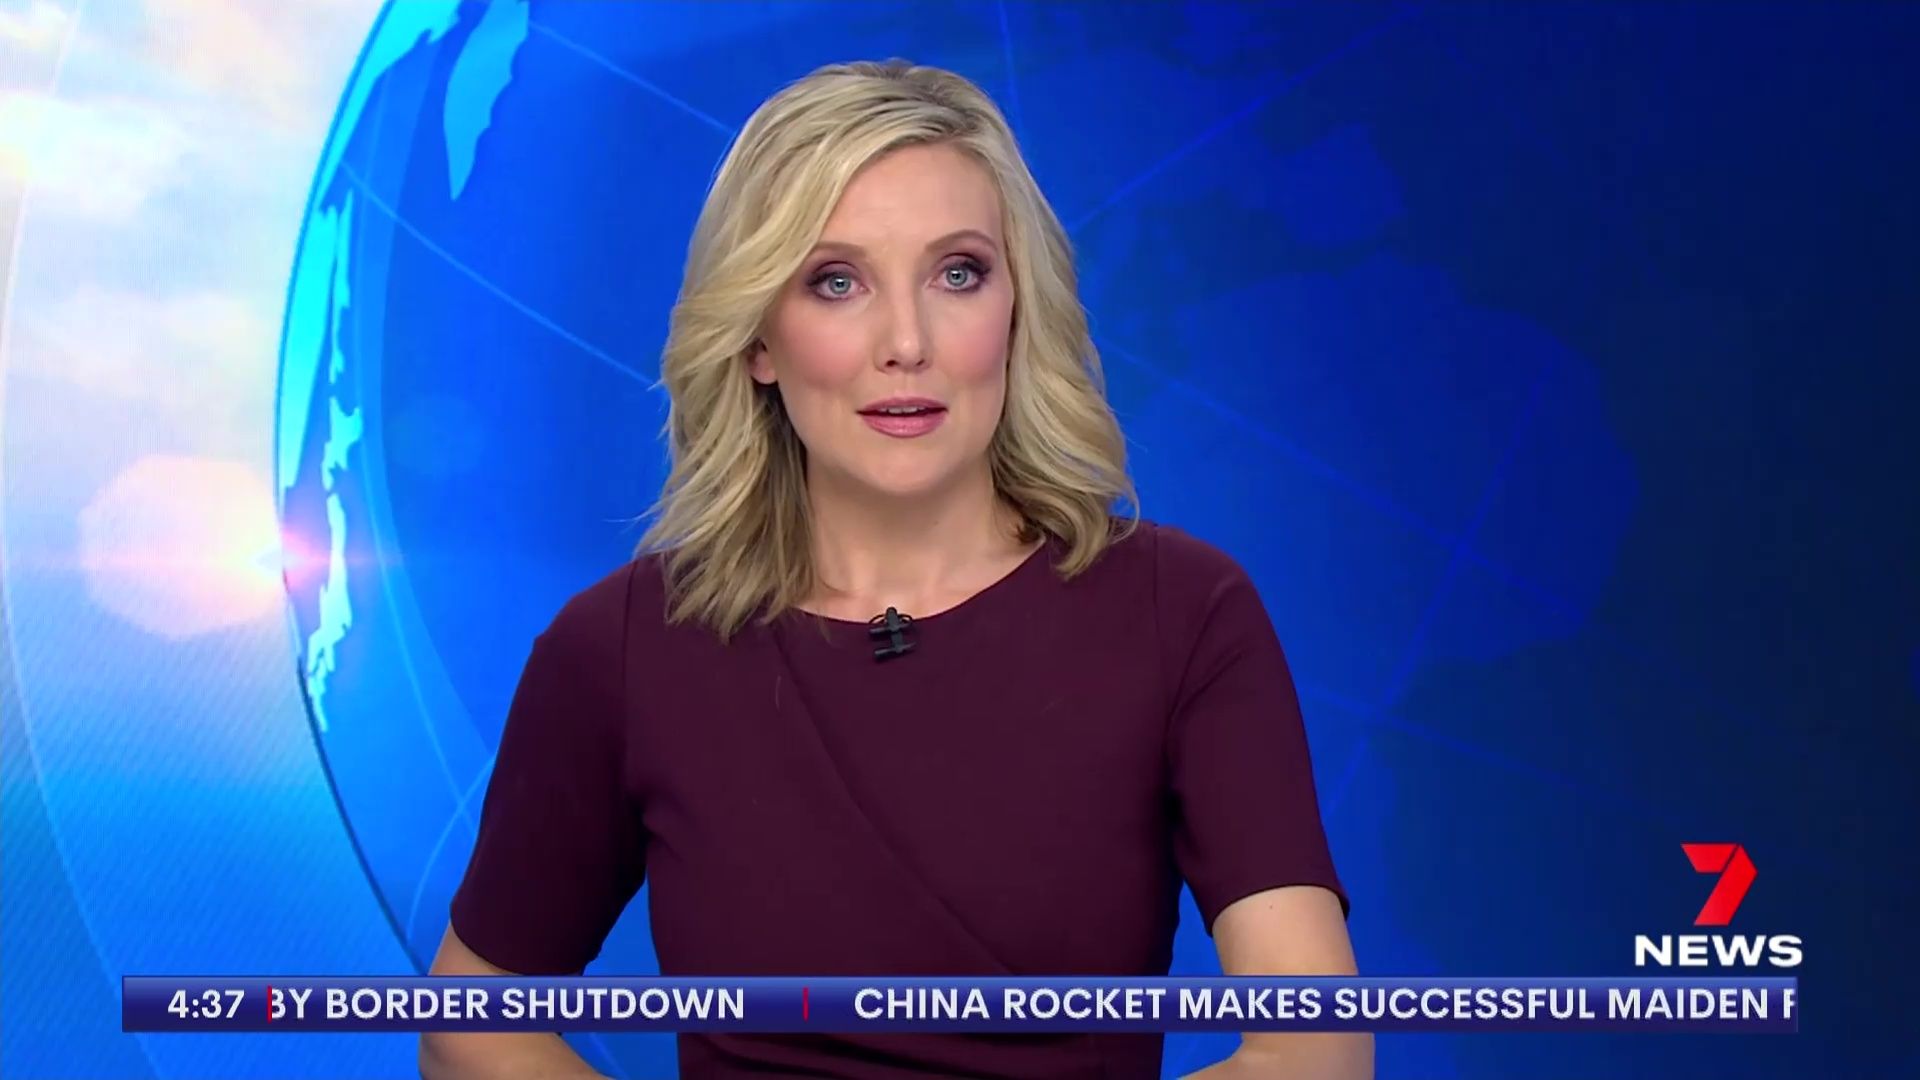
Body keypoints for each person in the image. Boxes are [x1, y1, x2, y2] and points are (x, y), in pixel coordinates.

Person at [421, 59, 1366, 1080]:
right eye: (836, 282)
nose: (906, 343)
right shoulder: (619, 649)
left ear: (1017, 310)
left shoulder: (1183, 613)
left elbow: (1312, 1049)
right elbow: (473, 1024)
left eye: (958, 273)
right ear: (758, 340)